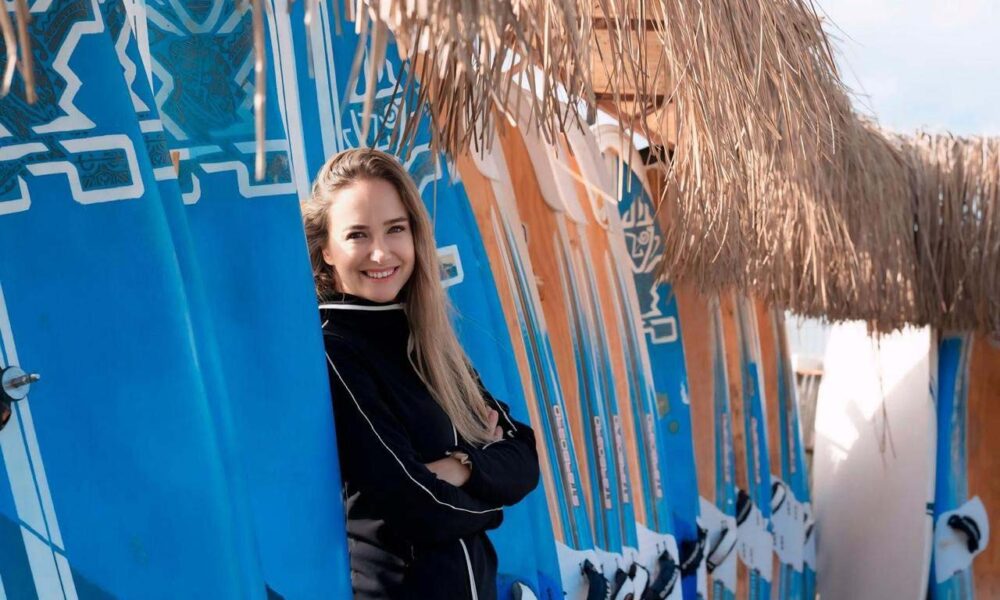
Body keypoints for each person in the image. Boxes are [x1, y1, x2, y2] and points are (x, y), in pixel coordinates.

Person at [301, 148, 540, 599]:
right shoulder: (335, 352)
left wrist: (462, 468)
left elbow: (525, 458)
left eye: (396, 228)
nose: (380, 252)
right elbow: (416, 504)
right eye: (357, 235)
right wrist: (491, 500)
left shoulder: (429, 342)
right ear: (327, 249)